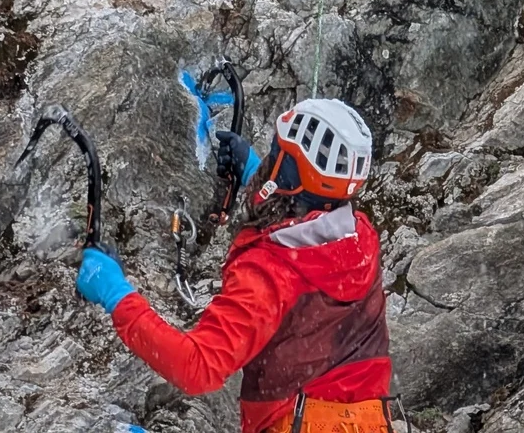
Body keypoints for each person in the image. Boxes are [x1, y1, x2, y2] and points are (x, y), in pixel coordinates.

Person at [75, 98, 393, 433]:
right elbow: (304, 221)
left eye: (275, 153)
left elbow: (196, 368)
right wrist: (257, 175)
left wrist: (114, 292)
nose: (269, 159)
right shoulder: (361, 239)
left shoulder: (271, 274)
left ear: (286, 173)